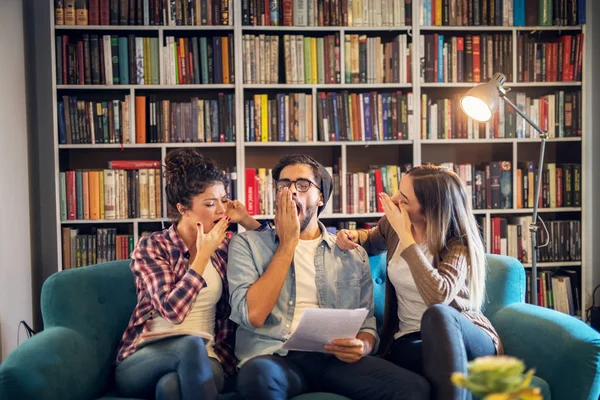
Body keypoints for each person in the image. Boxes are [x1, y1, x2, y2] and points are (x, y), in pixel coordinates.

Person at [227, 154, 430, 400]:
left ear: (320, 196)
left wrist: (362, 346)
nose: (291, 191)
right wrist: (288, 243)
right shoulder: (246, 244)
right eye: (283, 185)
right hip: (274, 358)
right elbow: (253, 315)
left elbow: (366, 326)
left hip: (334, 361)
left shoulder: (351, 254)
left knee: (414, 389)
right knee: (256, 377)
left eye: (302, 184)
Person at [336, 164, 502, 400]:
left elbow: (438, 297)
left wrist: (407, 238)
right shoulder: (393, 227)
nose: (394, 202)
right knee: (408, 357)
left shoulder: (457, 243)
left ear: (429, 210)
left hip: (464, 337)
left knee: (437, 315)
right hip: (411, 338)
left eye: (404, 199)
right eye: (398, 193)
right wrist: (351, 236)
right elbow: (371, 240)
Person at [114, 148, 266, 400]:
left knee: (170, 388)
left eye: (223, 199)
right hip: (145, 357)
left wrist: (247, 220)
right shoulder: (153, 246)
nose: (221, 210)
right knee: (191, 344)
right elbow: (173, 311)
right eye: (210, 203)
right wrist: (202, 255)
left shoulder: (226, 248)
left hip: (209, 358)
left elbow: (270, 254)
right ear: (183, 208)